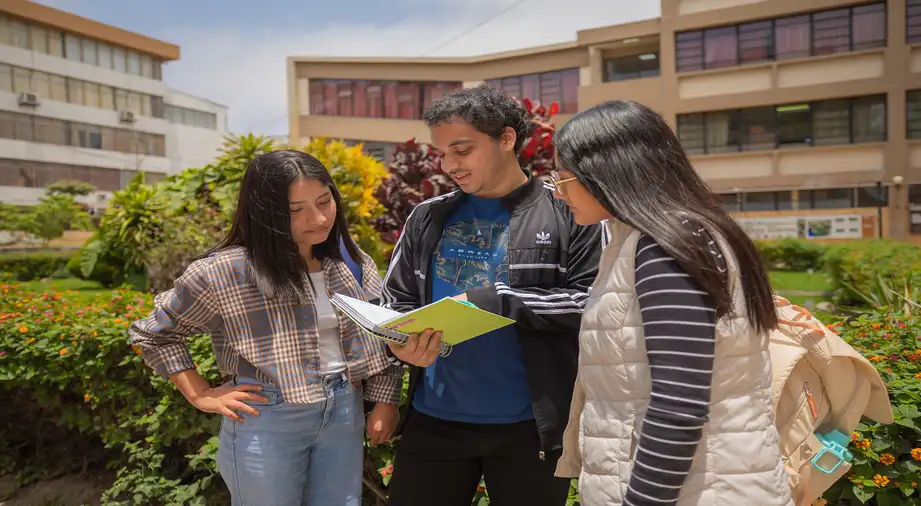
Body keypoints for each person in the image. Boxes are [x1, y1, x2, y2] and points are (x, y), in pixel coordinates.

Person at [550, 100, 793, 506]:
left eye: (563, 178)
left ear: (609, 171)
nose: (559, 193)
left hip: (699, 492)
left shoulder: (664, 247)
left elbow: (679, 405)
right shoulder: (653, 237)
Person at [129, 150, 402, 506]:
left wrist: (385, 400)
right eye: (295, 210)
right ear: (265, 213)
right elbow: (155, 333)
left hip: (343, 411)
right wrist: (201, 394)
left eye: (324, 201)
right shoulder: (224, 272)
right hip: (268, 416)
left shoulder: (351, 261)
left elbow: (381, 332)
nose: (319, 218)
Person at [381, 83, 603, 506]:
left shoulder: (568, 211)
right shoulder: (427, 216)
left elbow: (592, 303)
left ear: (506, 138)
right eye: (442, 154)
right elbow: (395, 301)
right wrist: (399, 343)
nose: (450, 165)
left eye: (462, 150)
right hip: (434, 421)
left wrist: (502, 301)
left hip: (530, 428)